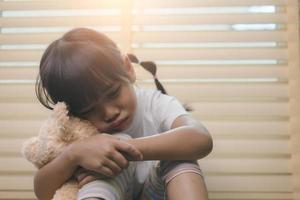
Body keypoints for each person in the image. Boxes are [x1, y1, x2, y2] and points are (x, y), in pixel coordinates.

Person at [34, 27, 213, 200]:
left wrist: (122, 149)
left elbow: (200, 138)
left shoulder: (154, 104)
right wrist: (74, 154)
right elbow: (43, 192)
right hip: (110, 191)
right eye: (89, 110)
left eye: (113, 93)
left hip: (160, 192)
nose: (109, 113)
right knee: (98, 175)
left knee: (181, 160)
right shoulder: (76, 129)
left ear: (128, 68)